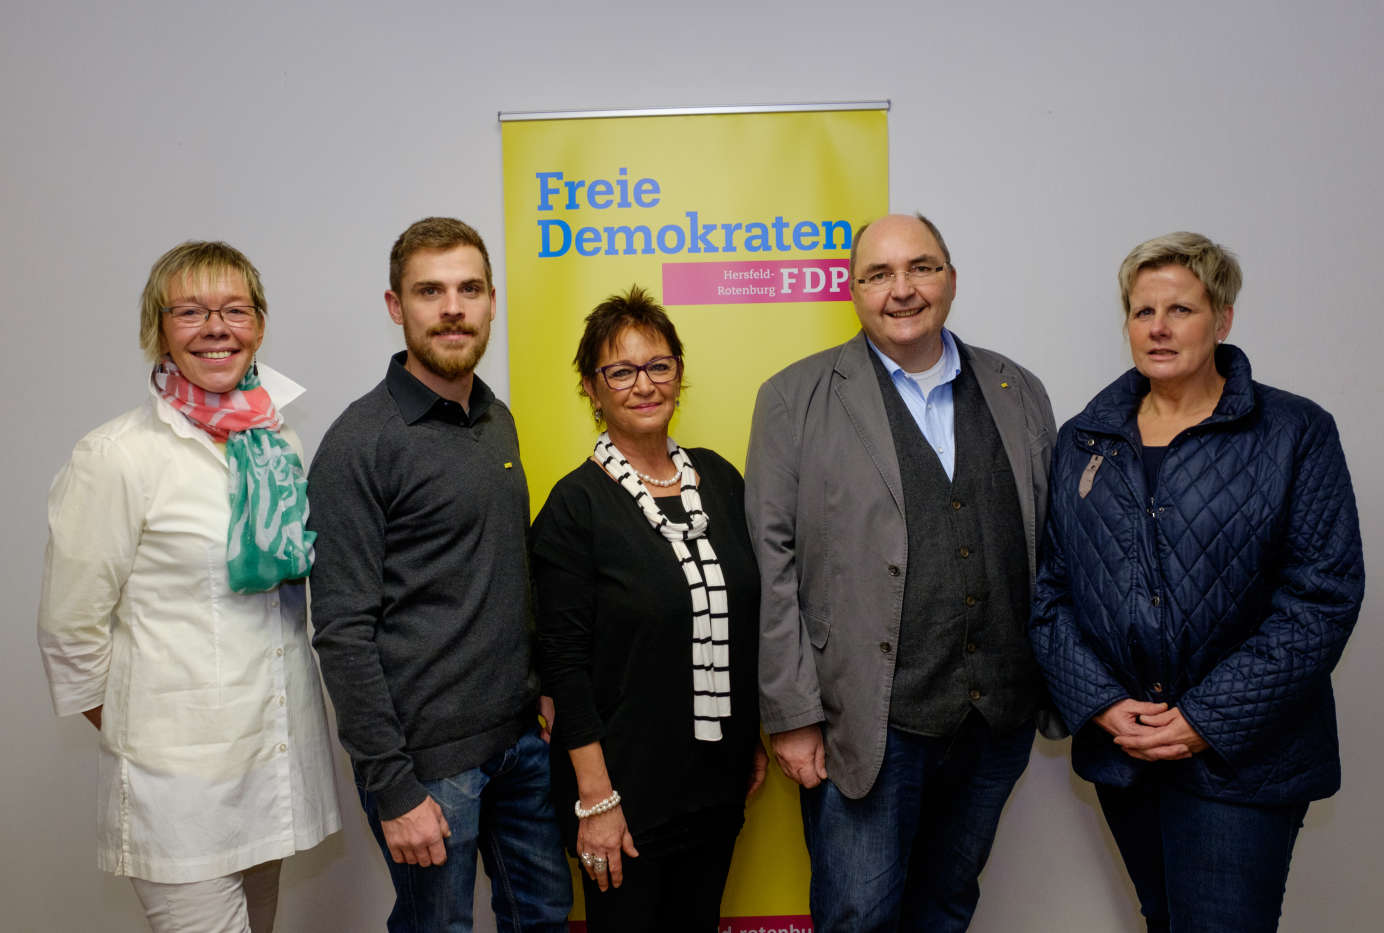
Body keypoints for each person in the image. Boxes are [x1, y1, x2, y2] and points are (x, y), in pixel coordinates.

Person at [1030, 231, 1364, 932]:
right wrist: (1100, 703)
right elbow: (1051, 592)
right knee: (1163, 919)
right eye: (1142, 311)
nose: (1158, 327)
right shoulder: (1085, 439)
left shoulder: (1294, 431)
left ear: (1223, 319)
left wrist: (1204, 719)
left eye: (1180, 309)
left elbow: (1322, 597)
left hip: (1246, 760)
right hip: (1126, 755)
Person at [744, 213, 1057, 931]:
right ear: (853, 292)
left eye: (921, 267)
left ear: (951, 278)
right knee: (859, 916)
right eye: (879, 274)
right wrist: (793, 716)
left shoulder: (1017, 389)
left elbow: (1050, 544)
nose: (902, 289)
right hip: (866, 723)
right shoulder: (793, 399)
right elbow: (772, 564)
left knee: (945, 907)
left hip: (994, 719)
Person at [36, 241, 341, 932]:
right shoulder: (117, 456)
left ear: (258, 324)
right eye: (191, 311)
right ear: (159, 328)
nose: (216, 328)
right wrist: (147, 740)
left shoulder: (276, 445)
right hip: (177, 793)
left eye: (235, 309)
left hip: (270, 769)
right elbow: (69, 631)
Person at [307, 217, 572, 932]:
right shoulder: (359, 444)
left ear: (492, 302)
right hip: (426, 766)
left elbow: (506, 568)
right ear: (396, 306)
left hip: (520, 745)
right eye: (430, 291)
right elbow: (341, 630)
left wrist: (542, 687)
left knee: (544, 918)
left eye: (469, 289)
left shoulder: (495, 418)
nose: (453, 308)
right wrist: (393, 787)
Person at [530, 286, 766, 930]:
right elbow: (563, 667)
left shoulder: (721, 481)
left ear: (679, 374)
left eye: (659, 365)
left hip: (716, 784)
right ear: (591, 387)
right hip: (623, 800)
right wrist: (595, 800)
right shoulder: (576, 506)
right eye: (621, 371)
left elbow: (738, 623)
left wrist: (750, 736)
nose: (644, 385)